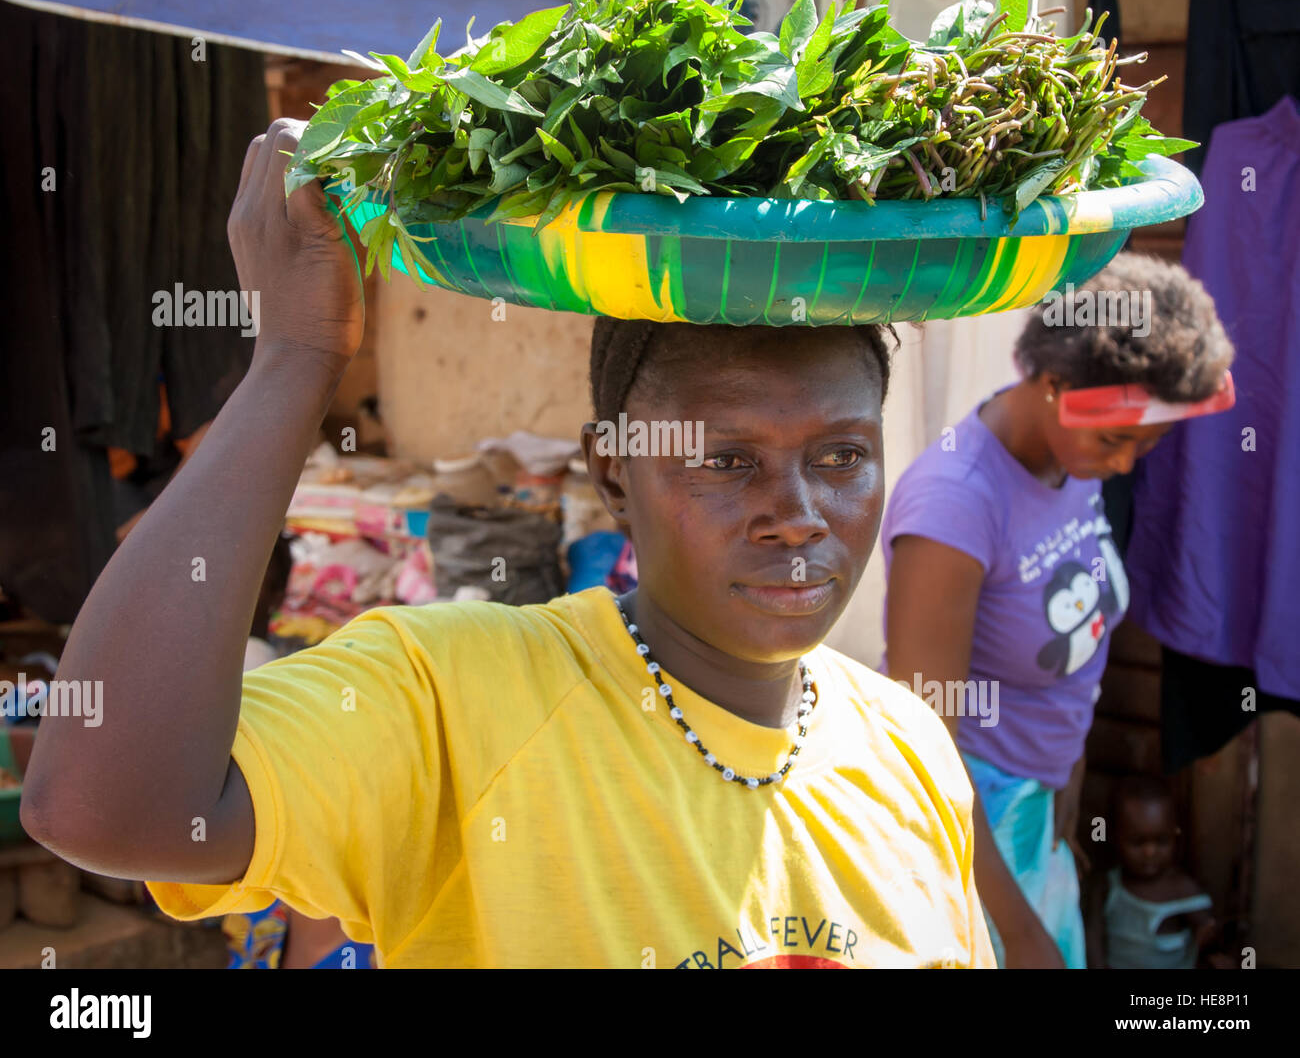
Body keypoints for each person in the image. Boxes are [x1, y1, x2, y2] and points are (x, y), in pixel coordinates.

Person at [20, 118, 995, 969]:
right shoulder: (457, 698)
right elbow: (104, 805)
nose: (797, 513)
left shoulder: (909, 750)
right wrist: (295, 357)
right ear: (613, 471)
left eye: (841, 456)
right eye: (727, 460)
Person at [880, 252, 1234, 968]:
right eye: (1116, 440)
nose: (1126, 464)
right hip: (972, 816)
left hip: (1038, 800)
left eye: (1147, 443)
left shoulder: (1074, 457)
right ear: (1052, 386)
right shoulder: (955, 506)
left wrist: (1066, 777)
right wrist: (1018, 932)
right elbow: (925, 747)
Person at [1084, 775, 1218, 969]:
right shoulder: (1108, 887)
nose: (1150, 852)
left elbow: (1210, 936)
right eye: (1137, 842)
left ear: (1175, 836)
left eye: (1161, 841)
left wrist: (1208, 935)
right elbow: (1092, 936)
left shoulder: (1182, 890)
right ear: (1114, 837)